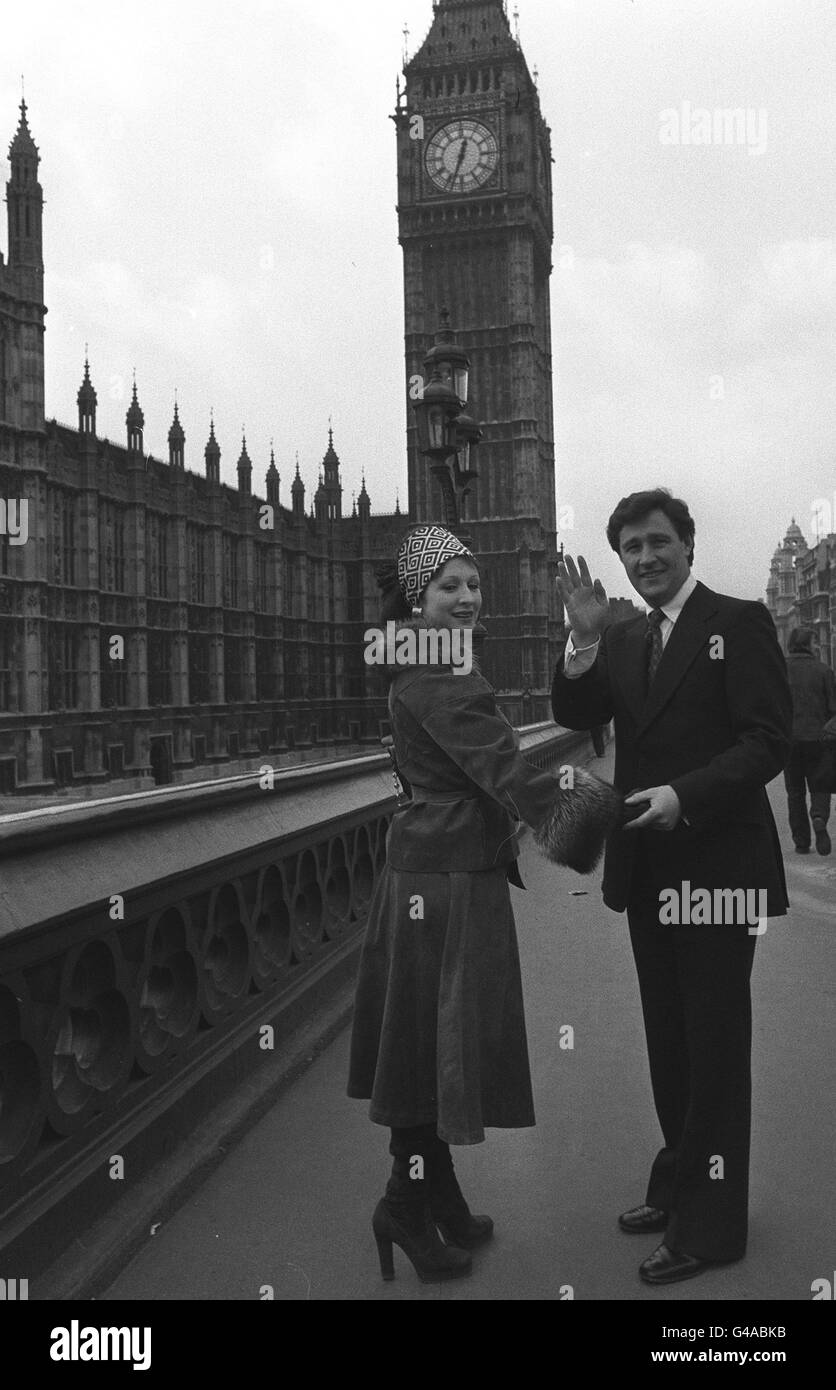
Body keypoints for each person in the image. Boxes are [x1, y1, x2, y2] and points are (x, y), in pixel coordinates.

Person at [347, 524, 621, 1284]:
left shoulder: (424, 660)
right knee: (427, 1041)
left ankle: (439, 1194)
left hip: (434, 863)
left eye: (473, 584)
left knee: (428, 1035)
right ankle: (404, 1203)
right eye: (448, 586)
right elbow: (508, 771)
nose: (467, 597)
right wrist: (600, 816)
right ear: (416, 596)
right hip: (444, 880)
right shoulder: (443, 675)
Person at [551, 489, 792, 1286]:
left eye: (658, 543)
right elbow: (575, 707)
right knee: (671, 1040)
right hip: (648, 868)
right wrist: (582, 640)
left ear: (688, 544)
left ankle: (713, 1227)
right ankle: (680, 1180)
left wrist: (686, 795)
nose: (645, 558)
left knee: (715, 1045)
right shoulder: (620, 638)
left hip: (720, 868)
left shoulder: (739, 622)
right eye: (631, 548)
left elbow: (767, 741)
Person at [783, 626, 836, 855]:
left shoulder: (780, 669)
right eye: (814, 642)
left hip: (789, 740)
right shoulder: (824, 671)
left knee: (795, 792)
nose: (817, 646)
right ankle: (819, 817)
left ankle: (801, 841)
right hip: (819, 738)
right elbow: (834, 708)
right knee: (820, 785)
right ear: (807, 644)